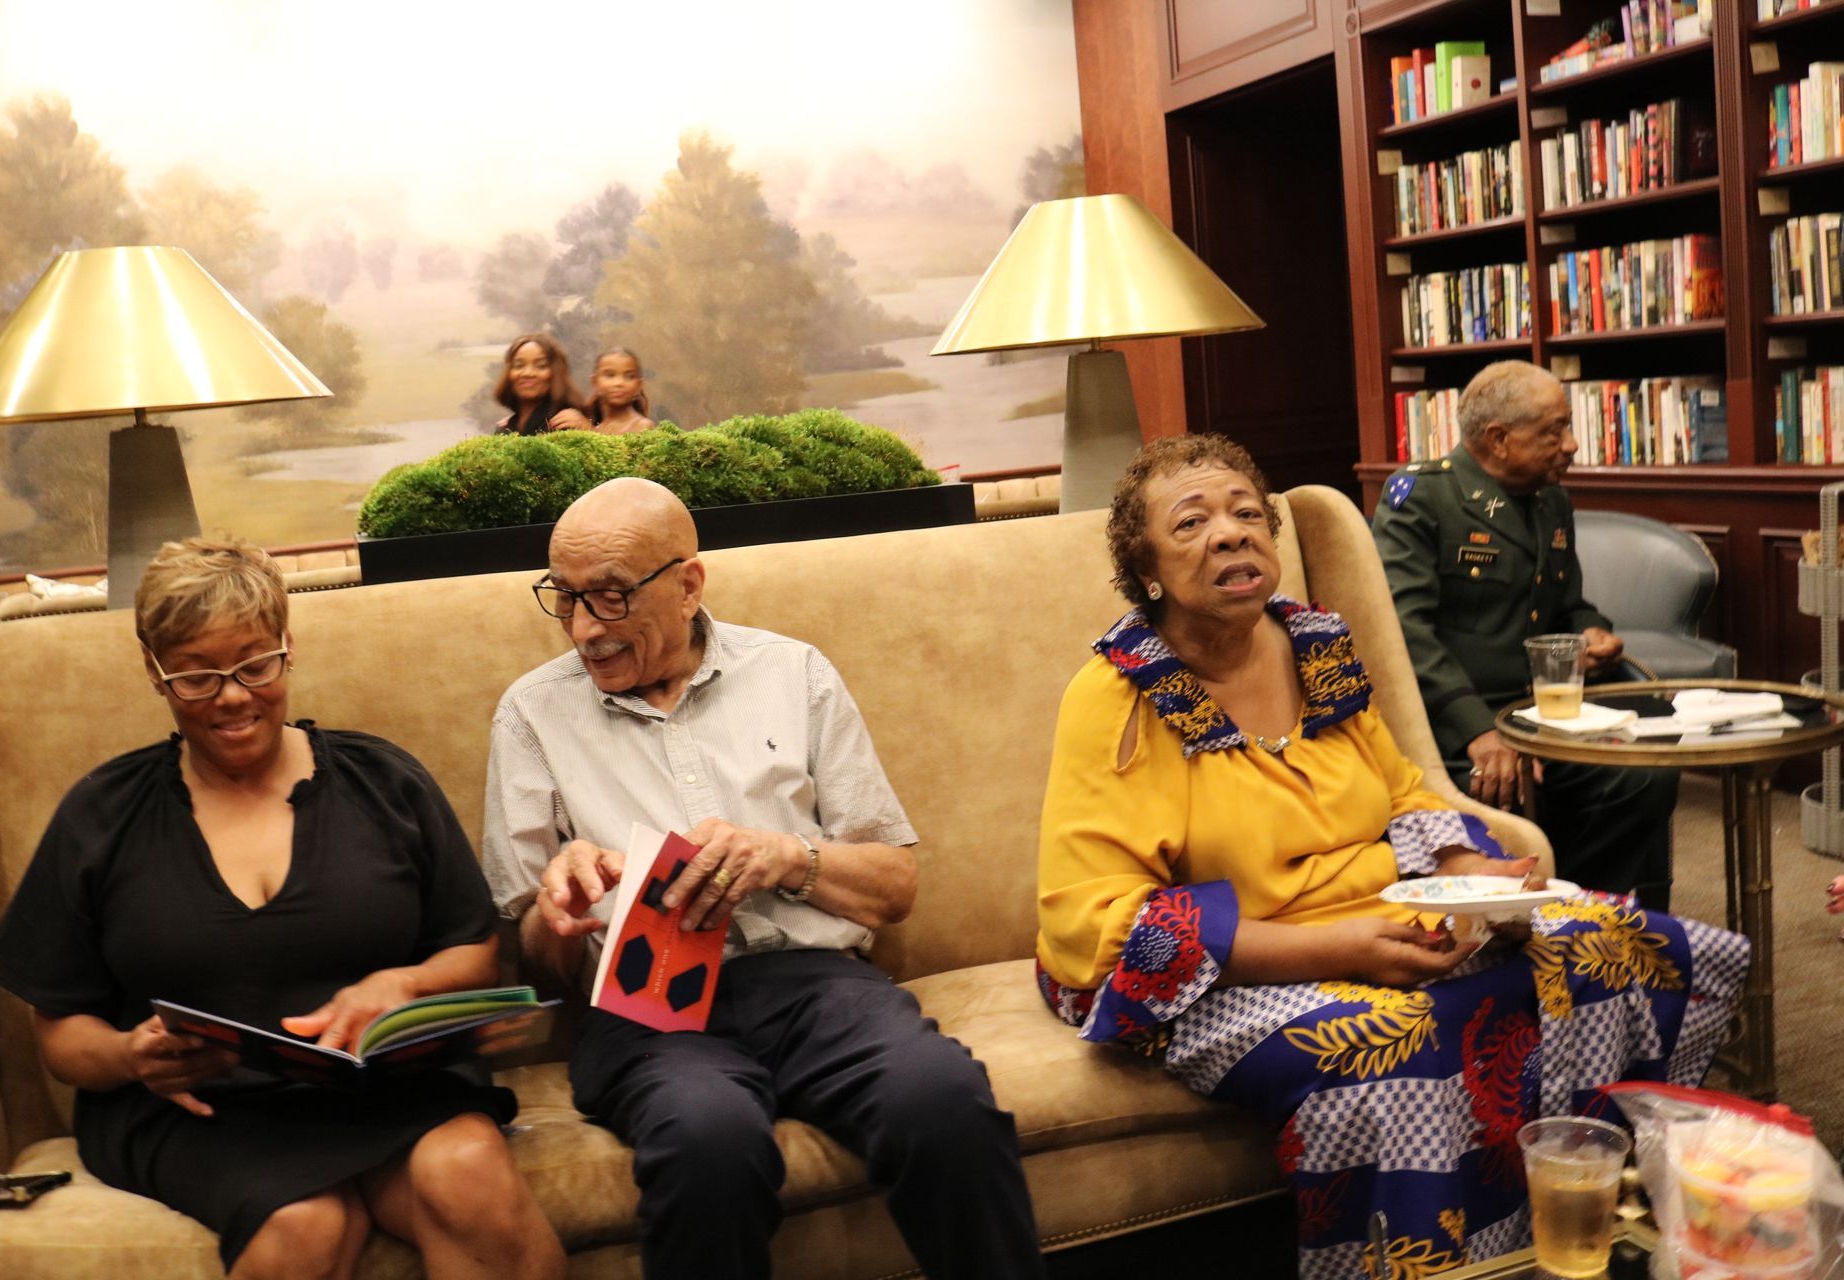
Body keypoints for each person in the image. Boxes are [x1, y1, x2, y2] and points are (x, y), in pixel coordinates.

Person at [1036, 435, 1748, 1279]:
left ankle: (1611, 1232)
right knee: (1397, 1040)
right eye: (1192, 523)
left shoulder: (1315, 642)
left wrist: (1463, 868)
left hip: (1382, 917)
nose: (1230, 534)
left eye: (1246, 514)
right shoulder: (1120, 694)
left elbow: (1405, 792)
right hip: (1229, 963)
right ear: (1147, 570)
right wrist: (1332, 950)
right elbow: (1098, 922)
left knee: (1621, 945)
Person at [482, 478, 1045, 1280]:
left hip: (817, 985)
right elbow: (533, 960)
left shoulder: (793, 672)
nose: (582, 629)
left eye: (608, 599)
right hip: (650, 1010)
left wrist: (790, 858)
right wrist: (555, 910)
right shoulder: (532, 715)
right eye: (563, 598)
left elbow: (895, 888)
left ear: (687, 585)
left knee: (942, 1103)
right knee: (707, 1142)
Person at [0, 538, 564, 1280]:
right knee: (305, 1222)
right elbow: (60, 1036)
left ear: (289, 647)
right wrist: (133, 1055)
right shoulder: (104, 814)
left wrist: (404, 985)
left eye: (255, 666)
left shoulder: (383, 782)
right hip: (202, 1114)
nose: (231, 696)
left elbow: (473, 948)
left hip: (380, 1089)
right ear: (154, 672)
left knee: (469, 1169)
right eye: (196, 675)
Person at [1371, 360, 1679, 910]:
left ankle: (1575, 906)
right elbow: (1402, 633)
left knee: (1645, 775)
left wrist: (1591, 632)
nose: (1572, 445)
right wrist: (1476, 731)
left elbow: (1570, 603)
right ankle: (1538, 909)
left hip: (1547, 711)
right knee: (1504, 797)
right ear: (1499, 439)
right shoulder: (1422, 498)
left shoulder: (1551, 500)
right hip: (1454, 724)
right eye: (1554, 430)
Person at [494, 333, 591, 436]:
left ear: (556, 372)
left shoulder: (566, 423)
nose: (528, 373)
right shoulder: (505, 428)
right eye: (519, 365)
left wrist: (588, 430)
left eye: (541, 366)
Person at [584, 347, 657, 434]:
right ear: (595, 382)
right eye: (610, 375)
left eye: (629, 376)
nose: (619, 383)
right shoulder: (596, 429)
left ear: (639, 385)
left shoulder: (643, 426)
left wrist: (587, 430)